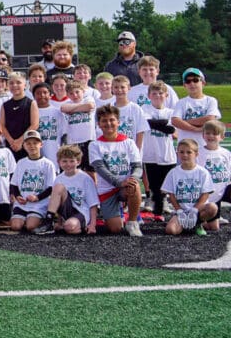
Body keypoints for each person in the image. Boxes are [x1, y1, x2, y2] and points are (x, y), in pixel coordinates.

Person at [91, 105, 143, 237]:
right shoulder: (95, 145)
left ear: (118, 122)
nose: (108, 123)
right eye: (104, 121)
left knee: (134, 185)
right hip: (107, 189)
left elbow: (137, 166)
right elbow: (100, 169)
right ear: (99, 124)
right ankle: (117, 211)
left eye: (112, 120)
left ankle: (132, 222)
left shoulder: (129, 142)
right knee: (115, 229)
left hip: (125, 186)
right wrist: (119, 182)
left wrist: (132, 179)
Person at [34, 145, 99, 235]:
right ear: (59, 162)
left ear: (78, 161)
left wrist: (92, 225)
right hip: (67, 210)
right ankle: (49, 222)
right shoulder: (58, 179)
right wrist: (59, 221)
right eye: (64, 161)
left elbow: (93, 204)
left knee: (70, 227)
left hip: (81, 211)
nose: (68, 164)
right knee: (58, 187)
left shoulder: (85, 178)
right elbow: (57, 201)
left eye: (72, 161)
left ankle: (79, 225)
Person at [161, 139, 218, 235]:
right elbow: (171, 195)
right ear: (177, 153)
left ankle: (198, 223)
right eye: (181, 152)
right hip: (182, 211)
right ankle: (186, 224)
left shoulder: (202, 172)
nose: (185, 155)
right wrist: (179, 210)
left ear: (196, 154)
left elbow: (205, 194)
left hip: (198, 209)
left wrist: (195, 210)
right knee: (171, 230)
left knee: (212, 208)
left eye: (189, 152)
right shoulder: (173, 172)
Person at [141, 81, 177, 217]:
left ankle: (165, 203)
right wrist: (163, 124)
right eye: (154, 93)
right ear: (149, 96)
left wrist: (154, 124)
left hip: (167, 154)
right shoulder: (145, 109)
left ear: (166, 95)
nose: (157, 96)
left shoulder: (171, 112)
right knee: (154, 185)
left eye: (161, 93)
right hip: (151, 154)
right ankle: (158, 211)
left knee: (167, 183)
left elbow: (172, 130)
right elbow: (147, 123)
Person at [8, 131, 56, 232]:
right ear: (24, 146)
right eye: (28, 143)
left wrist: (37, 197)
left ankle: (44, 221)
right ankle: (24, 219)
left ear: (41, 144)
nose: (32, 146)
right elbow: (14, 184)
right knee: (16, 226)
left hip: (39, 203)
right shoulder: (21, 162)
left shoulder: (48, 164)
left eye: (35, 143)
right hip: (23, 203)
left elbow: (51, 187)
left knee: (31, 226)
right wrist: (18, 196)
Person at [172, 68, 220, 147]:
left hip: (205, 146)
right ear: (184, 85)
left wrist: (183, 122)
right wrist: (195, 129)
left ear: (203, 83)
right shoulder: (181, 102)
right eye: (188, 81)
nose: (192, 83)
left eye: (195, 80)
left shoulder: (211, 100)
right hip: (186, 148)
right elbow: (175, 121)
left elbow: (210, 119)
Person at [0, 72, 38, 161]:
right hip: (10, 145)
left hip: (27, 145)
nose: (15, 85)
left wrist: (20, 141)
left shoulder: (31, 103)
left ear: (25, 85)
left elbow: (34, 125)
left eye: (18, 82)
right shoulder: (5, 105)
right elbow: (2, 125)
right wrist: (12, 142)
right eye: (11, 83)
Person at [198, 120, 231, 226]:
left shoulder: (226, 153)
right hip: (204, 196)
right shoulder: (198, 153)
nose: (210, 136)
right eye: (207, 133)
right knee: (214, 227)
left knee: (214, 227)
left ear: (222, 137)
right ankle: (195, 221)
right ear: (203, 135)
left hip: (220, 192)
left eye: (215, 133)